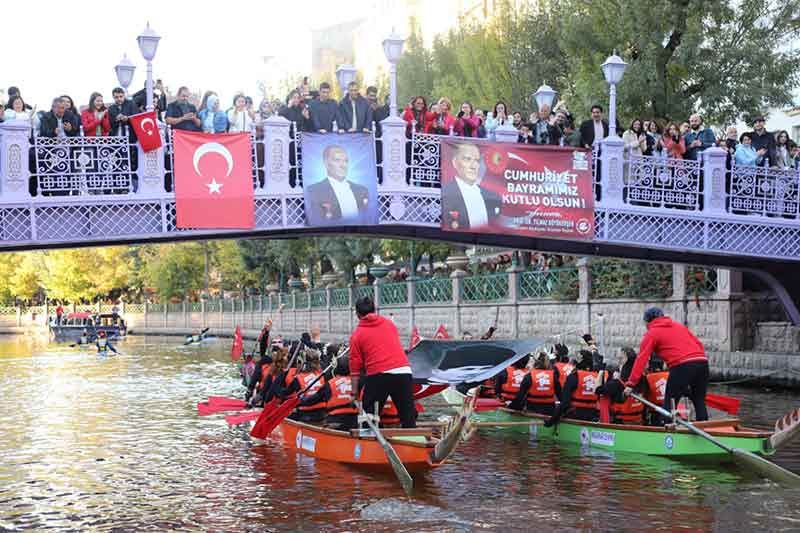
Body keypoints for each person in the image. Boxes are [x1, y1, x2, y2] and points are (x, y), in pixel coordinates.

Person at [623, 307, 710, 421]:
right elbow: (699, 344)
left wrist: (630, 384)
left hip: (681, 366)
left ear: (648, 321)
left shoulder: (652, 333)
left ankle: (666, 432)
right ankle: (703, 427)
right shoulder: (679, 326)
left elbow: (641, 359)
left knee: (669, 402)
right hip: (702, 362)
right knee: (699, 399)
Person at [349, 296, 416, 428]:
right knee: (408, 418)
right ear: (375, 310)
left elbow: (355, 368)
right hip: (404, 371)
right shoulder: (390, 324)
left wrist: (354, 393)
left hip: (379, 374)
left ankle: (369, 442)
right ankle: (413, 440)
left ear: (357, 314)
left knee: (369, 418)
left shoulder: (357, 335)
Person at [440, 143, 502, 230]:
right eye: (467, 159)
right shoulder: (445, 192)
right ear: (455, 163)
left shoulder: (493, 197)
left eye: (477, 160)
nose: (473, 166)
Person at [545, 349, 604, 426]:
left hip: (575, 415)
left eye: (577, 357)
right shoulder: (597, 377)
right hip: (592, 415)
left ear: (581, 360)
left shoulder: (573, 377)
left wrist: (551, 421)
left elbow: (565, 403)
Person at [302, 356, 358, 431]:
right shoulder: (358, 383)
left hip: (335, 421)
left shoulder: (330, 383)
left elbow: (313, 399)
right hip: (355, 422)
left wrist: (301, 399)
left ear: (336, 369)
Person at [595, 347, 644, 425]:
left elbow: (597, 390)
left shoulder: (617, 383)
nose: (618, 362)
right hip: (639, 421)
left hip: (621, 423)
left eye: (620, 359)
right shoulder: (643, 379)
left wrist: (600, 371)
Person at [284, 350, 327, 423]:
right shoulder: (323, 376)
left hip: (305, 413)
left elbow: (285, 393)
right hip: (322, 413)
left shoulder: (298, 378)